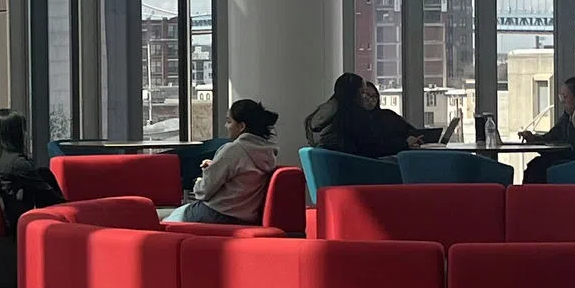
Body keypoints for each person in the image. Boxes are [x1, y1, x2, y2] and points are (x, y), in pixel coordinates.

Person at [174, 100, 280, 224]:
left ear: (241, 126)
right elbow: (242, 175)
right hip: (245, 218)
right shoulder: (267, 153)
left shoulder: (233, 150)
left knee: (161, 218)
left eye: (229, 121)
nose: (226, 126)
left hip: (217, 214)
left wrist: (200, 180)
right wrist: (215, 167)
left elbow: (203, 192)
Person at [304, 72, 433, 159]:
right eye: (363, 92)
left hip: (335, 173)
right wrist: (405, 144)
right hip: (357, 174)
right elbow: (373, 147)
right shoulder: (353, 116)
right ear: (354, 94)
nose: (365, 98)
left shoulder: (320, 116)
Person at [0, 107, 62, 222]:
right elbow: (51, 198)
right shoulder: (18, 164)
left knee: (43, 173)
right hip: (17, 223)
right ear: (17, 134)